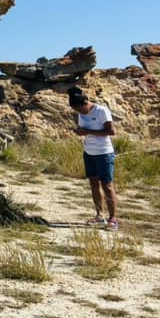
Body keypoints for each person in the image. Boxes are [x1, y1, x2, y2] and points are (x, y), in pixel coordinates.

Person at [68, 88, 118, 230]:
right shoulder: (80, 113)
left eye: (81, 109)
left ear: (86, 103)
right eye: (76, 110)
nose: (80, 113)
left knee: (107, 185)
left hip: (103, 153)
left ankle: (113, 219)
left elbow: (111, 131)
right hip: (89, 152)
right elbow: (83, 128)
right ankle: (99, 215)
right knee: (93, 184)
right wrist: (80, 132)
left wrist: (88, 131)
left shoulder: (101, 111)